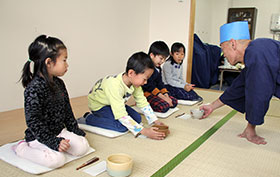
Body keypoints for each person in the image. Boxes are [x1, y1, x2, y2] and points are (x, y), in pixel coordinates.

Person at [200, 21, 280, 145]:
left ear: (233, 43)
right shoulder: (256, 51)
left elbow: (259, 91)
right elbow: (238, 87)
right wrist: (212, 106)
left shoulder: (257, 52)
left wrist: (251, 128)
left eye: (222, 48)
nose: (223, 54)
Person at [13, 35, 90, 168]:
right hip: (39, 136)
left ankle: (58, 144)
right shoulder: (33, 88)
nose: (67, 65)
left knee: (83, 146)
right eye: (64, 60)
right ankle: (21, 148)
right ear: (48, 62)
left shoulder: (59, 83)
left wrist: (75, 131)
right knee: (56, 160)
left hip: (58, 131)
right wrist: (53, 142)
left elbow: (67, 110)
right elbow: (33, 121)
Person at [83, 52, 168, 140]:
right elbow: (121, 115)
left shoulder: (135, 84)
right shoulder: (114, 85)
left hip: (113, 103)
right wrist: (145, 131)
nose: (145, 82)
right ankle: (89, 118)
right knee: (121, 126)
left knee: (137, 119)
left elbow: (142, 102)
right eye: (144, 79)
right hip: (99, 106)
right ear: (131, 73)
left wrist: (155, 120)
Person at [142, 41, 178, 112]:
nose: (162, 61)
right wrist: (163, 98)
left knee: (174, 101)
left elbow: (160, 83)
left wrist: (166, 95)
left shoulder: (158, 68)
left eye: (164, 59)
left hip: (156, 92)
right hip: (147, 93)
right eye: (161, 58)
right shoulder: (146, 68)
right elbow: (149, 86)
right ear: (152, 55)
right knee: (164, 106)